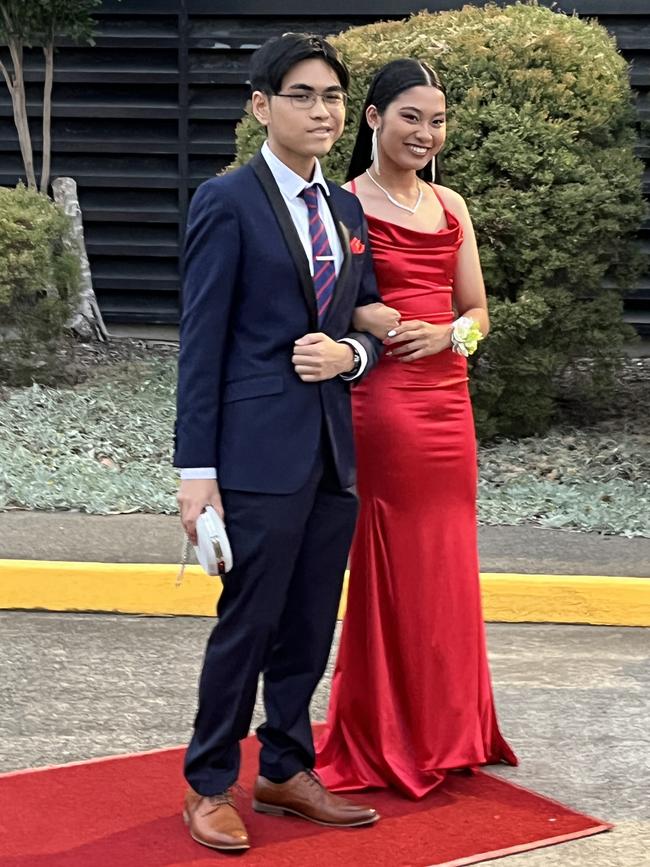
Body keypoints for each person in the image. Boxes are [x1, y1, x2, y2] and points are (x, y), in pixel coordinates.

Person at [174, 33, 383, 853]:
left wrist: (353, 355)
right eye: (303, 95)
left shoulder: (346, 209)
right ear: (262, 106)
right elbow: (200, 344)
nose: (323, 111)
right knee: (249, 622)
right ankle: (209, 781)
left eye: (333, 96)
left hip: (332, 452)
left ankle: (286, 767)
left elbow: (361, 316)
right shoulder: (228, 200)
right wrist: (197, 473)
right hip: (255, 455)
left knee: (306, 625)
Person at [316, 58, 518, 800]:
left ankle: (452, 727)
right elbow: (328, 302)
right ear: (372, 118)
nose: (425, 134)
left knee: (449, 557)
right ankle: (386, 730)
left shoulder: (453, 204)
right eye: (411, 117)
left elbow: (479, 312)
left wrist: (452, 337)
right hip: (386, 399)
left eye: (436, 121)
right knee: (395, 561)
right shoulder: (339, 203)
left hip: (448, 400)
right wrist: (387, 318)